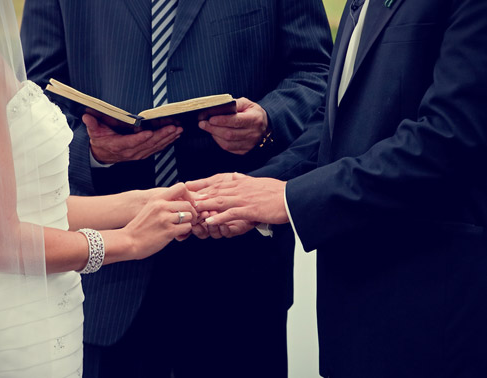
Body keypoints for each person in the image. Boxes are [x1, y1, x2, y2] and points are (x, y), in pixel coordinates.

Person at [21, 1, 332, 377]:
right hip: (106, 283)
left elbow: (316, 72)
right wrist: (89, 149)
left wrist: (269, 121)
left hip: (238, 274)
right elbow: (36, 95)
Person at [188, 0, 487, 376]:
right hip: (350, 308)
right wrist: (255, 188)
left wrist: (287, 199)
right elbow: (335, 126)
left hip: (432, 310)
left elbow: (449, 138)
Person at [0, 1, 197, 377]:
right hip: (6, 345)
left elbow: (37, 208)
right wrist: (130, 242)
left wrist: (146, 202)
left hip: (40, 332)